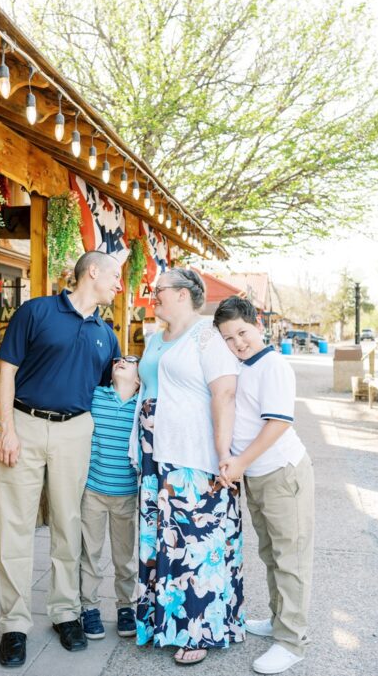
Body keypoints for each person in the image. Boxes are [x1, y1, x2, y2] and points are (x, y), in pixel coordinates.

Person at [0, 251, 123, 668]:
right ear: (93, 272)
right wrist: (7, 429)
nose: (120, 284)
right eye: (116, 276)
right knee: (16, 524)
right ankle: (14, 625)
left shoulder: (108, 333)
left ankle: (64, 613)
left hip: (76, 431)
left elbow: (111, 390)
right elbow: (6, 371)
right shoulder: (37, 311)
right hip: (26, 425)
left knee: (69, 523)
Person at [130, 267, 245, 666]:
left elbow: (225, 394)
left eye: (157, 290)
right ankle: (159, 622)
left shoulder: (206, 337)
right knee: (160, 537)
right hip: (155, 452)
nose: (152, 296)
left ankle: (199, 629)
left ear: (182, 294)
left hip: (192, 454)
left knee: (195, 539)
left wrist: (223, 454)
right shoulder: (154, 337)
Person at [215, 296, 315, 675]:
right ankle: (278, 620)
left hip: (281, 474)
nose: (238, 342)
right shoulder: (244, 366)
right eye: (228, 338)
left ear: (257, 324)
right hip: (256, 475)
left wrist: (239, 462)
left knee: (291, 559)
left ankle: (291, 641)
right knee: (272, 555)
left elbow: (278, 423)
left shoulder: (272, 365)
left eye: (242, 332)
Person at [78, 354, 141, 641]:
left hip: (126, 494)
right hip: (93, 490)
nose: (121, 360)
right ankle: (89, 607)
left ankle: (126, 606)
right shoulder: (96, 395)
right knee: (89, 554)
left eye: (131, 360)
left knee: (124, 558)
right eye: (118, 359)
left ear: (139, 379)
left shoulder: (142, 406)